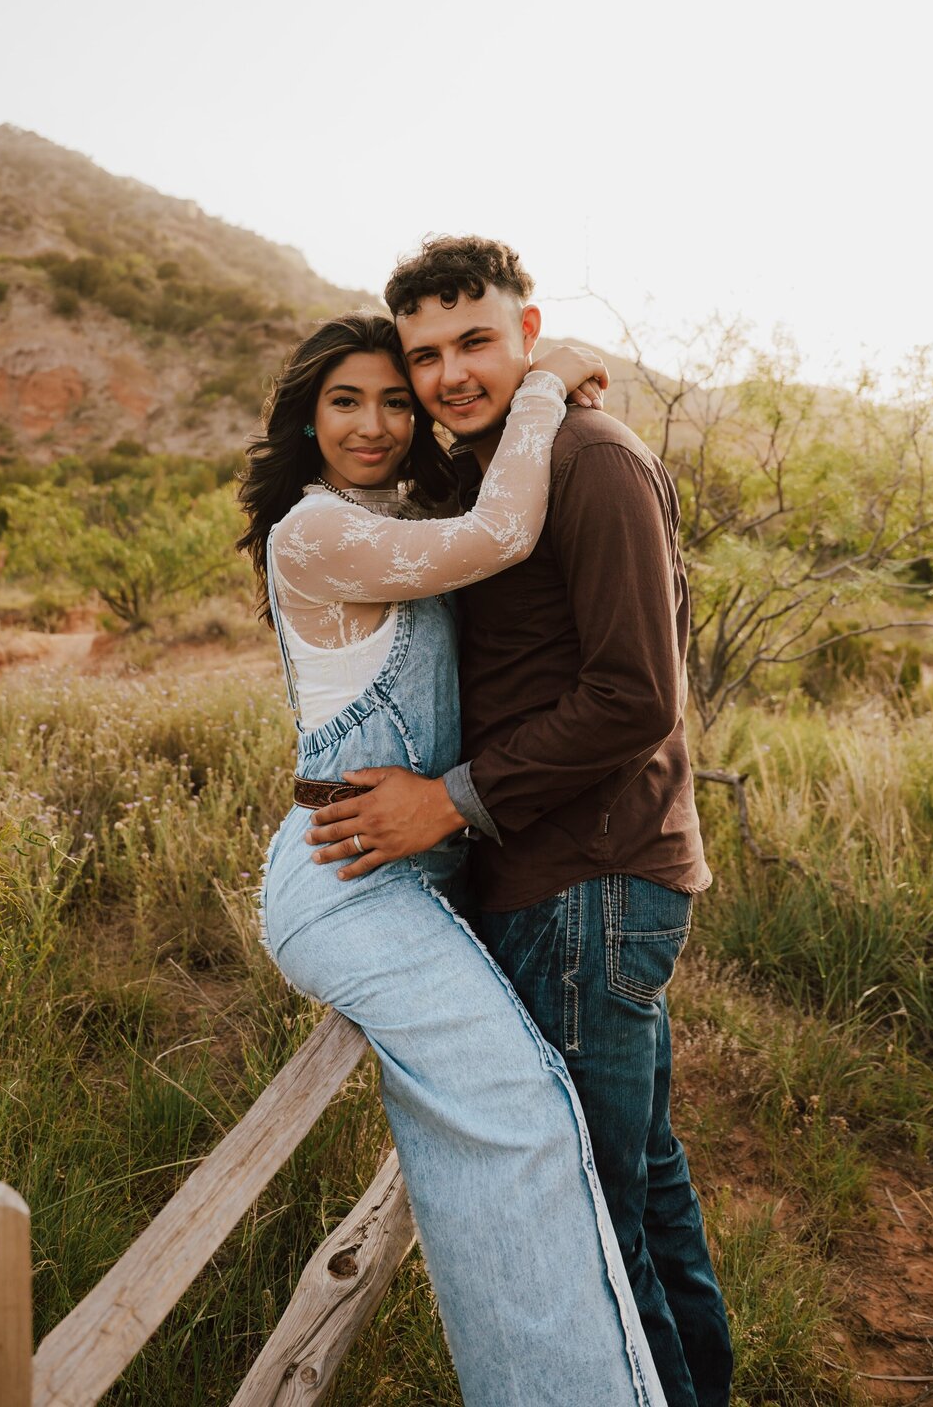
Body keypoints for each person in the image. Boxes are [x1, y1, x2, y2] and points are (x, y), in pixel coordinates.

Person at [305, 239, 734, 1407]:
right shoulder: (502, 471)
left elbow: (636, 693)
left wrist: (446, 800)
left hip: (588, 885)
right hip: (557, 880)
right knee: (638, 1189)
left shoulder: (589, 461)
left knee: (592, 1219)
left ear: (526, 331)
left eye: (477, 342)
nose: (449, 375)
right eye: (425, 355)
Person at [238, 311, 667, 1407]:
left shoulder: (408, 510)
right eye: (347, 401)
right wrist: (543, 383)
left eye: (395, 397)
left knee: (539, 1116)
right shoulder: (315, 531)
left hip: (425, 871)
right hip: (347, 876)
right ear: (306, 418)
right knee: (520, 1115)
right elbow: (501, 536)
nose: (378, 423)